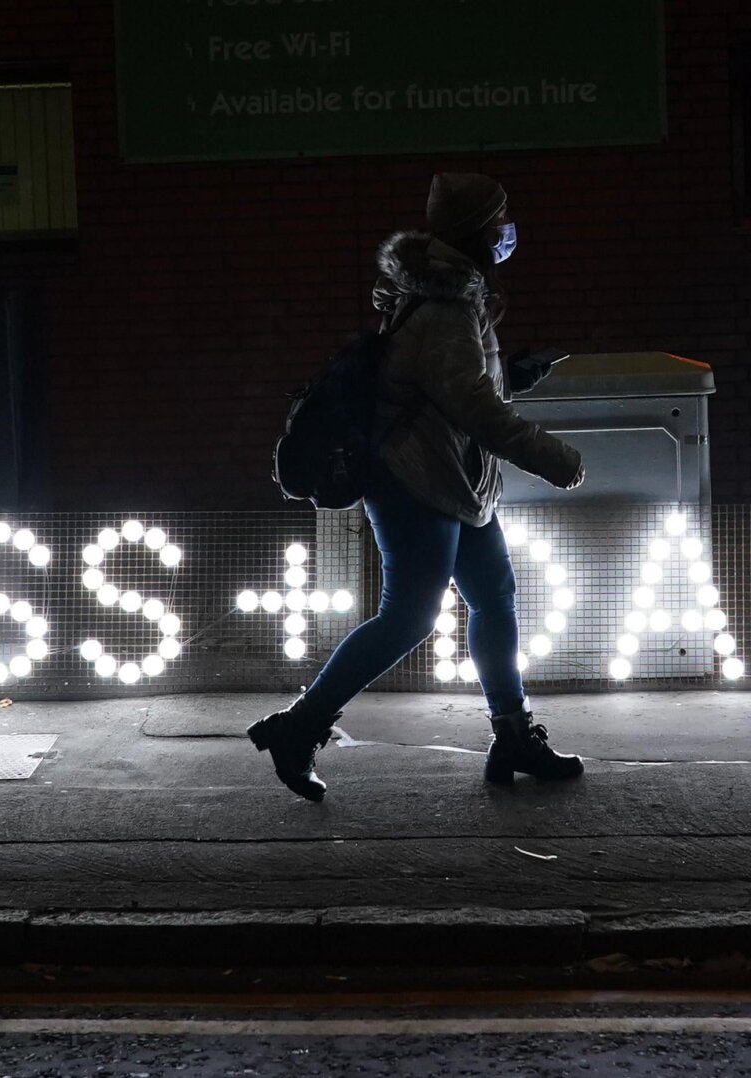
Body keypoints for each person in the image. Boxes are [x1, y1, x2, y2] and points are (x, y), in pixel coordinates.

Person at [247, 173, 587, 801]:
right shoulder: (445, 308)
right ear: (473, 229)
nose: (506, 230)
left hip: (457, 478)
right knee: (409, 616)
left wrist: (511, 372)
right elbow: (472, 406)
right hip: (417, 480)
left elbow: (456, 384)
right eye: (499, 219)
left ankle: (512, 734)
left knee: (494, 598)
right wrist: (552, 456)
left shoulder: (450, 297)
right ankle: (299, 728)